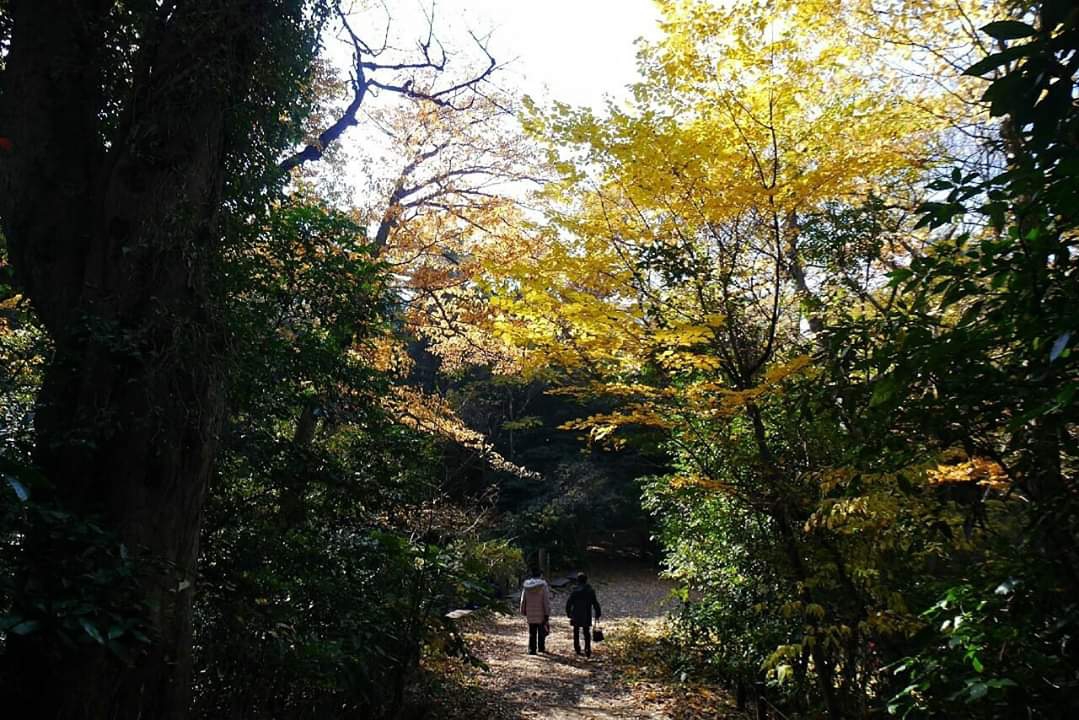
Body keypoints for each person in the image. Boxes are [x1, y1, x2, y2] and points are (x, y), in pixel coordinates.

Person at [565, 572, 601, 657]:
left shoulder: (574, 591)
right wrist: (598, 613)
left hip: (576, 613)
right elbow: (595, 603)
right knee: (586, 632)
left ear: (578, 581)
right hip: (586, 613)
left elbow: (569, 603)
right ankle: (587, 648)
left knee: (576, 631)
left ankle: (577, 648)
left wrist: (568, 613)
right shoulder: (590, 590)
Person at [520, 567, 552, 655]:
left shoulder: (526, 585)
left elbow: (523, 599)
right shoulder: (543, 585)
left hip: (530, 612)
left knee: (532, 631)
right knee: (541, 631)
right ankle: (541, 648)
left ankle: (532, 649)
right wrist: (547, 612)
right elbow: (546, 600)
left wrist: (523, 610)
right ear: (540, 575)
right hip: (541, 613)